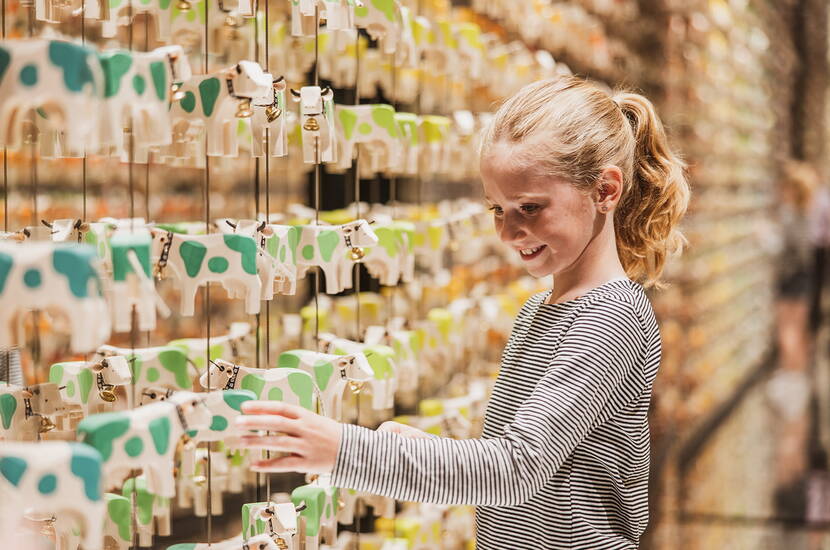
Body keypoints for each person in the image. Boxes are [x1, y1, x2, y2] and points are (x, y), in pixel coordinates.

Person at [235, 76, 690, 549]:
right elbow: (528, 463)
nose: (509, 231)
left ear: (605, 191)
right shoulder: (541, 309)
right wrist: (421, 450)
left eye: (529, 207)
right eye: (497, 209)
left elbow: (516, 469)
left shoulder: (609, 319)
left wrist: (344, 451)